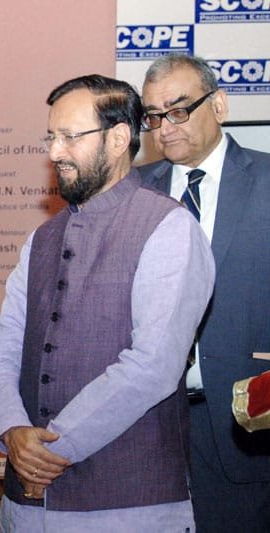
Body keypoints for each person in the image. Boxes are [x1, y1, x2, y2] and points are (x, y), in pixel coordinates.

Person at [0, 74, 215, 532]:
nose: (54, 152)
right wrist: (12, 430)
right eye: (51, 137)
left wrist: (51, 448)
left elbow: (153, 365)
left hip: (129, 506)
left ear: (119, 139)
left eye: (70, 137)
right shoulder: (41, 238)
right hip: (24, 508)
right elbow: (4, 348)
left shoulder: (169, 227)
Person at [140, 53, 270, 531]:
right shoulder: (133, 193)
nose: (164, 127)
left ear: (219, 105)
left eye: (178, 110)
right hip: (147, 428)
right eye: (153, 116)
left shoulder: (268, 181)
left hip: (248, 426)